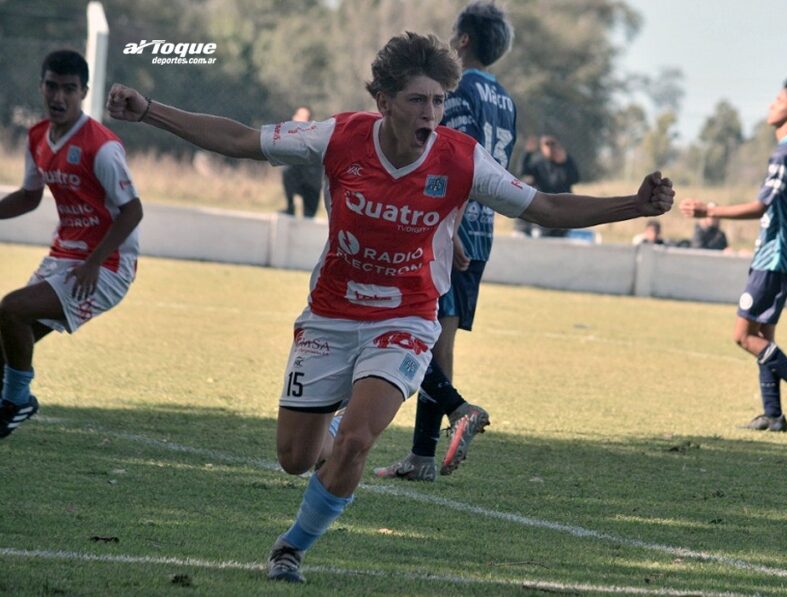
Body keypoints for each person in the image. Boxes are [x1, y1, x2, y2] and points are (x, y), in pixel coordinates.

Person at [106, 32, 674, 583]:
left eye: (439, 101)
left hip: (405, 318)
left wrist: (633, 205)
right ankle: (326, 426)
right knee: (294, 459)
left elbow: (545, 206)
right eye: (418, 100)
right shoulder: (339, 138)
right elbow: (241, 140)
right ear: (384, 102)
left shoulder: (461, 160)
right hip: (330, 316)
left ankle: (292, 548)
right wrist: (149, 111)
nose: (432, 113)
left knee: (356, 442)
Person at [374, 0, 517, 482]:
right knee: (438, 340)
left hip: (447, 224)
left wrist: (447, 227)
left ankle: (449, 417)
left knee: (405, 326)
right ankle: (422, 454)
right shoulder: (505, 99)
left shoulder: (459, 92)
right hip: (483, 229)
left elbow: (450, 162)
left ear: (462, 42)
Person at [0, 49, 143, 439]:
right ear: (41, 87)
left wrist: (95, 263)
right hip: (66, 257)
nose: (58, 97)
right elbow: (29, 197)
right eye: (51, 86)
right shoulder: (37, 137)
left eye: (68, 89)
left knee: (10, 310)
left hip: (106, 266)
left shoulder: (102, 146)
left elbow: (132, 211)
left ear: (83, 91)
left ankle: (18, 401)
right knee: (9, 342)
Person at [679, 75, 787, 433]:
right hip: (782, 256)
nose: (770, 105)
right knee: (763, 337)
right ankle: (773, 414)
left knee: (743, 335)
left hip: (774, 257)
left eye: (777, 100)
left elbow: (761, 206)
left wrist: (709, 212)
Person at [520, 134, 580, 237]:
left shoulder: (565, 162)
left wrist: (564, 163)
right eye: (546, 144)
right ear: (541, 147)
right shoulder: (538, 163)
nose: (550, 147)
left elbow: (575, 178)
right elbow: (523, 172)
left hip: (562, 206)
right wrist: (527, 153)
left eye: (553, 144)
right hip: (544, 207)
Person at [280, 106, 324, 218]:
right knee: (287, 171)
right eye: (298, 116)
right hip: (296, 179)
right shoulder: (289, 135)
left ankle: (305, 212)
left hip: (312, 183)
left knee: (308, 218)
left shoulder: (315, 136)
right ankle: (290, 207)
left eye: (304, 118)